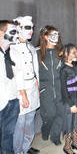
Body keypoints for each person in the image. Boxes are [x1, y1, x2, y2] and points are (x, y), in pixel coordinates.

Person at [11, 16, 40, 154]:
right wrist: (23, 95)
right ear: (19, 28)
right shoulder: (12, 48)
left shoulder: (31, 47)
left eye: (32, 28)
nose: (31, 31)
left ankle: (26, 147)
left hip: (33, 89)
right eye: (28, 28)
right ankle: (18, 151)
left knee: (30, 121)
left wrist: (38, 87)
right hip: (20, 91)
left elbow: (36, 70)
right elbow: (16, 74)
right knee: (20, 123)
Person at [37, 25, 64, 146]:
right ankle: (45, 129)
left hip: (60, 87)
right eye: (53, 35)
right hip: (45, 88)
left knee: (60, 113)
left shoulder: (61, 52)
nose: (56, 37)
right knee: (50, 113)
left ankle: (55, 136)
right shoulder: (38, 53)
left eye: (57, 35)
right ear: (46, 37)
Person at [60, 44, 77, 154]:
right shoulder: (63, 70)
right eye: (73, 53)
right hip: (69, 101)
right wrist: (71, 104)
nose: (76, 54)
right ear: (66, 54)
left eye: (76, 52)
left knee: (76, 122)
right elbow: (63, 89)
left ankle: (75, 143)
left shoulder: (75, 66)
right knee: (69, 124)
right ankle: (66, 146)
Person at [0, 20, 19, 154]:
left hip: (13, 99)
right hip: (1, 102)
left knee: (8, 136)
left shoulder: (12, 52)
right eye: (13, 31)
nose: (17, 35)